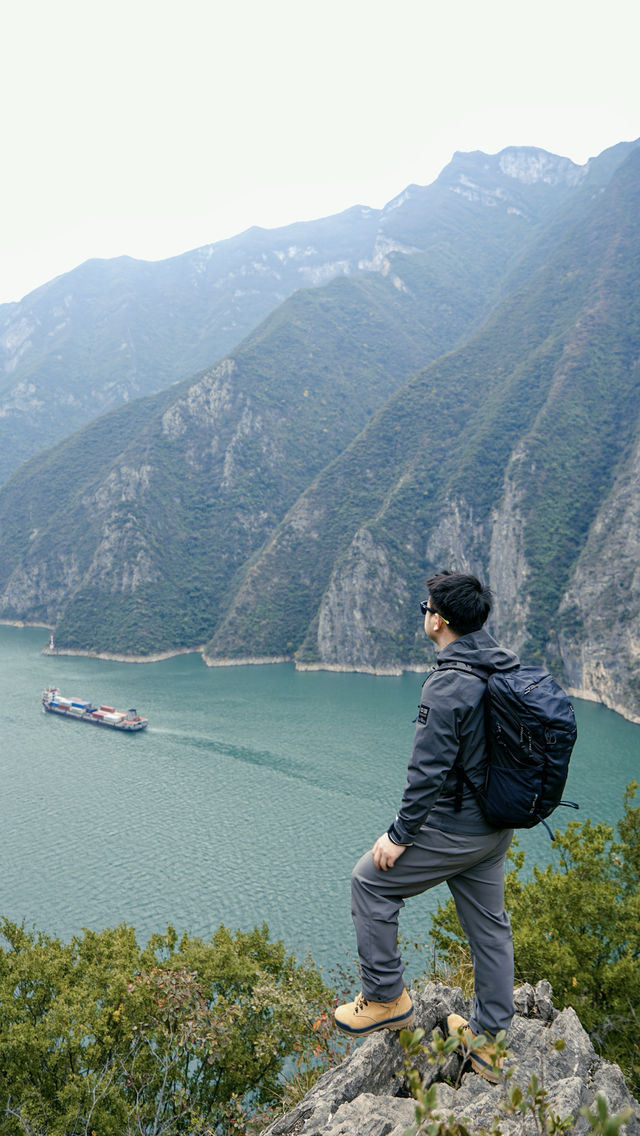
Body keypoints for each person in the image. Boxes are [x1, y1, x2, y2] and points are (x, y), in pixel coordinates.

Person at [334, 570, 519, 1082]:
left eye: (426, 606)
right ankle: (489, 1043)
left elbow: (427, 773)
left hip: (457, 830)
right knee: (491, 930)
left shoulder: (449, 683)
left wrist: (398, 837)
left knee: (368, 881)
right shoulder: (501, 663)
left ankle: (384, 997)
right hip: (497, 827)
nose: (424, 613)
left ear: (438, 619)